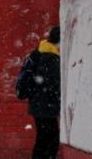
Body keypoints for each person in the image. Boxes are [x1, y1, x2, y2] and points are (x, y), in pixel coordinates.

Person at [23, 26, 61, 159]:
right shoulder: (52, 58)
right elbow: (54, 85)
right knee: (50, 141)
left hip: (38, 104)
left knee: (43, 139)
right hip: (47, 106)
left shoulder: (38, 52)